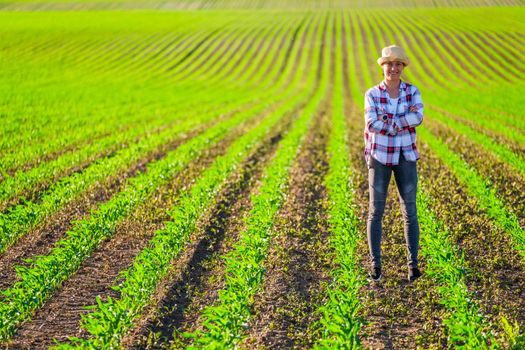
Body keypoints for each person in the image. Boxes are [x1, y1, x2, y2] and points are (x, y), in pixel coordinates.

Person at [363, 45, 424, 282]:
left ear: (403, 67)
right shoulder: (372, 94)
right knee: (375, 211)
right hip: (379, 157)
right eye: (390, 64)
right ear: (383, 67)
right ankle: (375, 267)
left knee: (410, 211)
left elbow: (418, 116)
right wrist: (400, 122)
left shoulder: (412, 91)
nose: (394, 68)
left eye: (398, 64)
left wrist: (388, 120)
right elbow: (371, 123)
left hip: (406, 156)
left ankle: (413, 267)